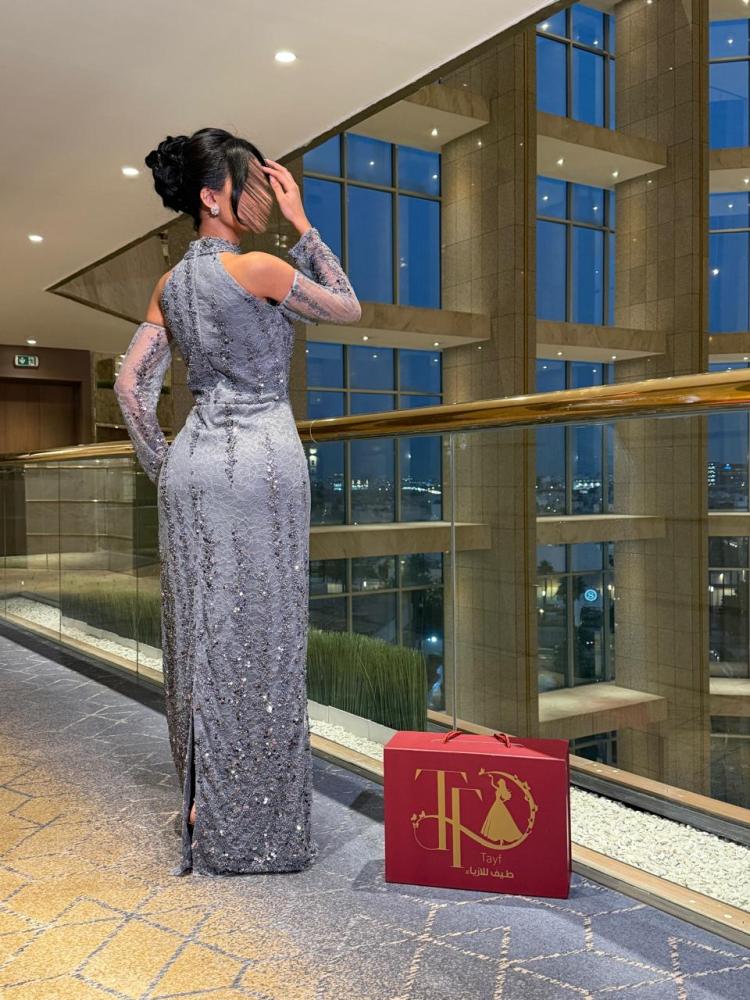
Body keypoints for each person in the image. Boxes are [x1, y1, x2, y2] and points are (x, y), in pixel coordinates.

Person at [113, 127, 361, 876]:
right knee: (263, 642)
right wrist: (305, 224)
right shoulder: (260, 267)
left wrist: (165, 466)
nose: (261, 199)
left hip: (192, 466)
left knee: (201, 636)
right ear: (211, 197)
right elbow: (346, 308)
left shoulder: (169, 286)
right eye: (249, 186)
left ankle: (204, 808)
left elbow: (131, 386)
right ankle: (254, 828)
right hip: (261, 466)